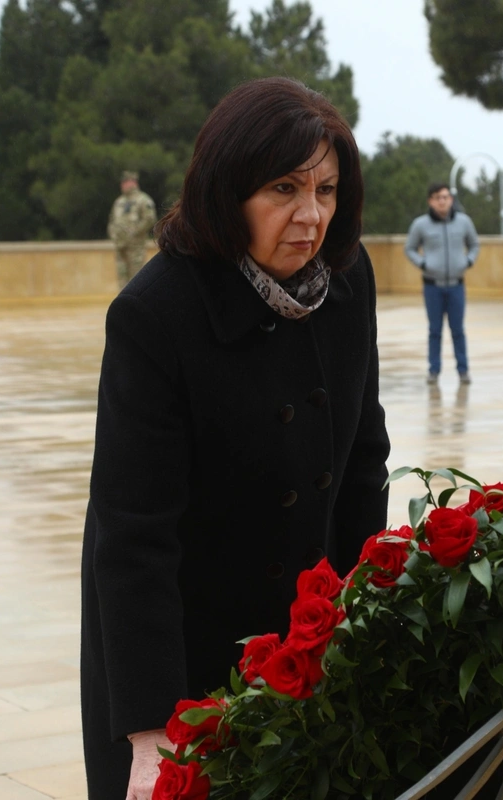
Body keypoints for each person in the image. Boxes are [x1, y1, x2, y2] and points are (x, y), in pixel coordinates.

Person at [80, 78, 391, 800]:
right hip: (189, 657)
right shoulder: (155, 314)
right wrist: (152, 732)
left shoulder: (348, 281)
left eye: (326, 189)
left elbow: (363, 463)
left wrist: (359, 630)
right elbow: (133, 535)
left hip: (308, 645)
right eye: (283, 189)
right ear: (228, 190)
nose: (310, 215)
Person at [404, 183, 480, 385]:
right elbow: (410, 248)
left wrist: (468, 261)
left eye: (446, 197)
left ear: (451, 200)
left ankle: (463, 370)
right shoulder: (421, 224)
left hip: (457, 286)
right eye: (438, 197)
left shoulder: (464, 222)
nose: (442, 201)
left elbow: (474, 244)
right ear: (430, 201)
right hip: (432, 287)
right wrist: (423, 264)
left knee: (458, 330)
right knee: (435, 331)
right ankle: (434, 370)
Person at [107, 170, 157, 288]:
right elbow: (112, 220)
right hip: (120, 245)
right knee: (122, 278)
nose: (122, 185)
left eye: (125, 182)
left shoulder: (143, 199)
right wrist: (113, 234)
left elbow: (149, 219)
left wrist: (134, 233)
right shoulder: (119, 201)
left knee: (136, 278)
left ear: (133, 182)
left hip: (136, 247)